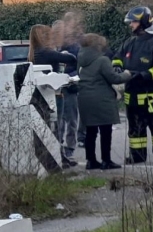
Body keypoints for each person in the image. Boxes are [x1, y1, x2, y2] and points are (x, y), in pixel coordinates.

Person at [111, 6, 153, 164]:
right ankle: (137, 155)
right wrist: (116, 67)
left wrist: (143, 75)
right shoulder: (130, 42)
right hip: (133, 95)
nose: (131, 25)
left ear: (143, 22)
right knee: (135, 128)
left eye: (134, 22)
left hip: (152, 96)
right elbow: (117, 57)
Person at [74, 33, 132, 173]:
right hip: (102, 99)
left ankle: (91, 161)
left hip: (85, 98)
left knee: (90, 131)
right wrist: (127, 74)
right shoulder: (102, 60)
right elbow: (114, 78)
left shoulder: (80, 59)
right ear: (97, 45)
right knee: (106, 131)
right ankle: (106, 160)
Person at [28, 23, 79, 167]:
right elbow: (72, 60)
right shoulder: (46, 52)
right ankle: (58, 158)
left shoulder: (33, 53)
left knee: (51, 126)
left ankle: (59, 156)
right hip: (54, 94)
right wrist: (65, 54)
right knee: (56, 126)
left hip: (41, 95)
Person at [55, 16, 83, 160]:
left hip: (70, 87)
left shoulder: (75, 48)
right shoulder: (52, 48)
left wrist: (68, 76)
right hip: (55, 88)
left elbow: (80, 67)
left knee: (71, 119)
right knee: (57, 120)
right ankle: (58, 144)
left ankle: (70, 147)